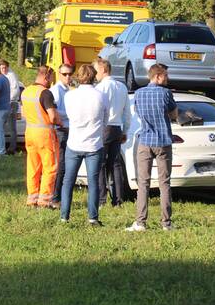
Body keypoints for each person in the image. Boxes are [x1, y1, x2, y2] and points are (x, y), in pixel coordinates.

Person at [126, 64, 178, 232]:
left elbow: (138, 113)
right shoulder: (166, 93)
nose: (167, 79)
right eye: (165, 76)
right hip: (163, 142)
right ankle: (166, 223)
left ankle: (140, 222)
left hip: (145, 141)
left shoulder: (139, 94)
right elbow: (174, 114)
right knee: (164, 183)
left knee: (143, 183)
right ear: (157, 76)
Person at [60, 63, 108, 226]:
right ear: (94, 76)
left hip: (74, 142)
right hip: (94, 144)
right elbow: (105, 119)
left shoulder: (69, 96)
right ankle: (93, 217)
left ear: (78, 77)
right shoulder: (101, 95)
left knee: (68, 180)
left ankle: (64, 216)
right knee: (93, 181)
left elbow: (69, 115)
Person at [22, 65, 61, 208]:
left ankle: (32, 199)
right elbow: (52, 117)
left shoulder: (26, 91)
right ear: (46, 77)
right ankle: (45, 201)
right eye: (51, 78)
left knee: (33, 166)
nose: (52, 81)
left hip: (30, 132)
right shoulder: (45, 93)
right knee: (50, 167)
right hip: (45, 134)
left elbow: (24, 113)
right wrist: (60, 121)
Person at [94, 58, 130, 207]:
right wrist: (125, 130)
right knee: (115, 164)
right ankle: (117, 200)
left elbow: (98, 110)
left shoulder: (100, 88)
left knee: (101, 164)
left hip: (105, 127)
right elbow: (127, 112)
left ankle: (102, 199)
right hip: (117, 127)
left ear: (103, 70)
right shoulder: (122, 87)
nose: (95, 74)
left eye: (96, 71)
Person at [49, 63, 74, 205]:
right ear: (59, 74)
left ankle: (59, 195)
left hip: (68, 129)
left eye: (70, 74)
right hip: (61, 129)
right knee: (61, 164)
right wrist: (72, 113)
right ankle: (55, 197)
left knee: (65, 164)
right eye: (65, 74)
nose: (68, 77)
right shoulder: (56, 90)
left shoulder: (68, 89)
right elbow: (55, 111)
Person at [0, 60, 22, 154]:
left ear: (8, 67)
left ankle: (12, 148)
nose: (3, 69)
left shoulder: (11, 76)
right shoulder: (1, 76)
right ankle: (0, 148)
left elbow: (16, 90)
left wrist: (7, 100)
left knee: (11, 127)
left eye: (5, 67)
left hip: (11, 103)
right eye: (1, 68)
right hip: (3, 104)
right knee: (0, 126)